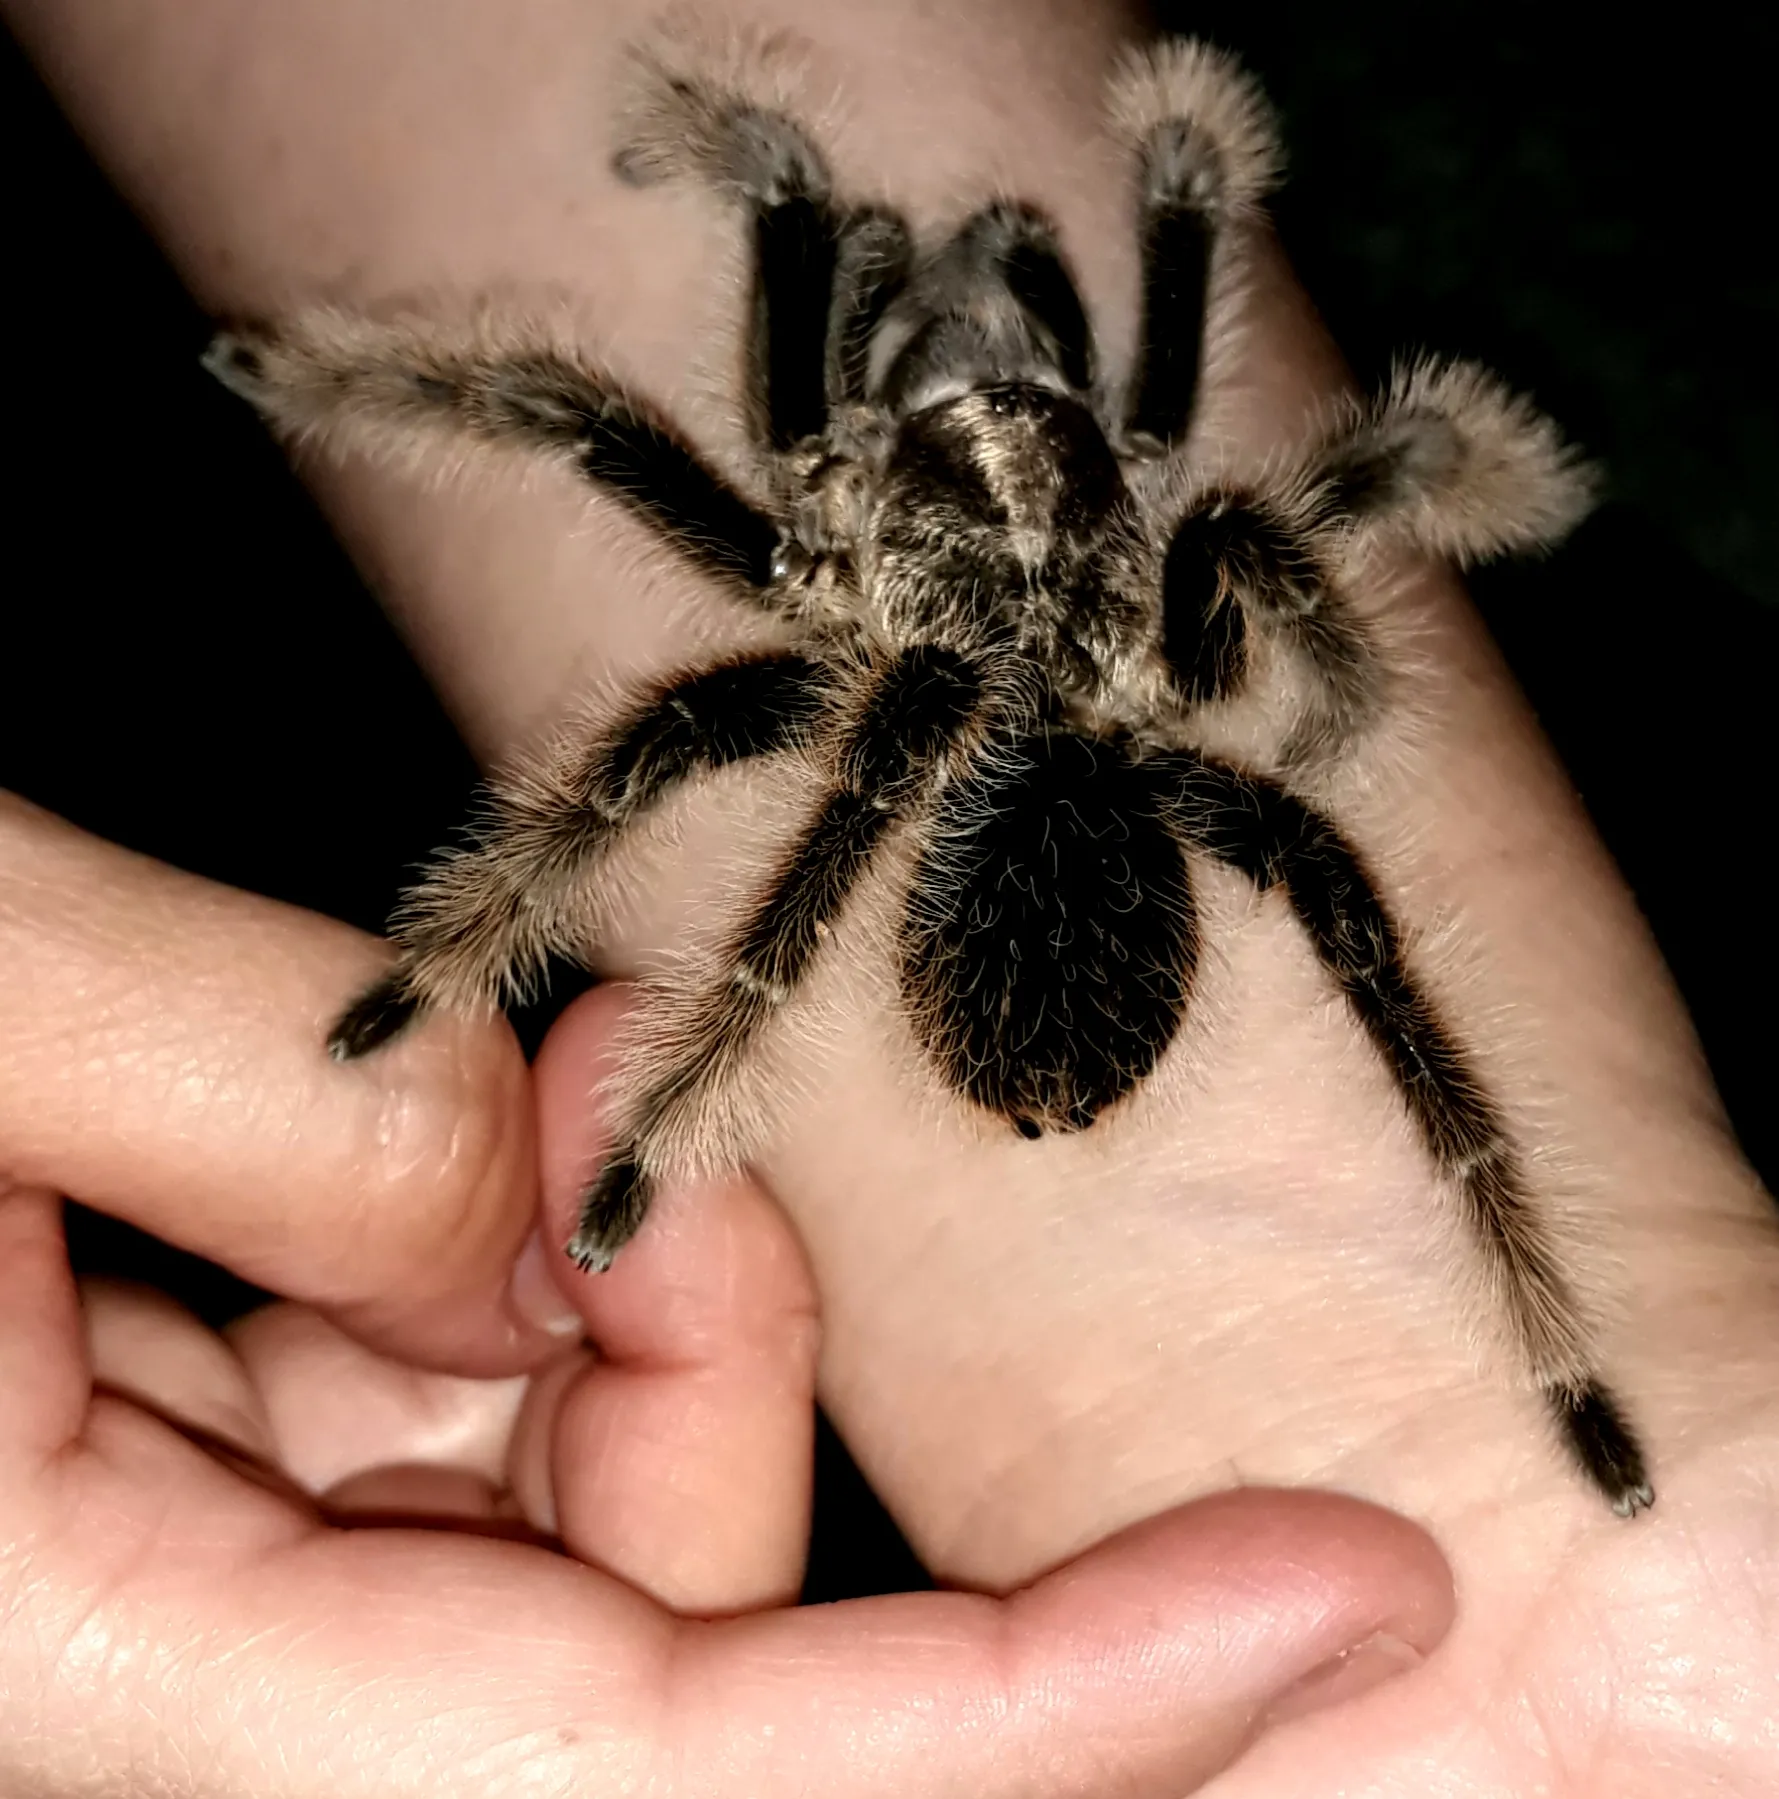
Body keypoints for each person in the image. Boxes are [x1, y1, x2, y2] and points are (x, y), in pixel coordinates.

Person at [2, 0, 1775, 1791]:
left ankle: (1551, 1341)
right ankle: (1557, 1352)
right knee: (1199, 757)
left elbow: (616, 441)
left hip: (1024, 791)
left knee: (733, 629)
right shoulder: (1177, 547)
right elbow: (1274, 494)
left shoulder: (912, 536)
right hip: (1093, 764)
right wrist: (1325, 694)